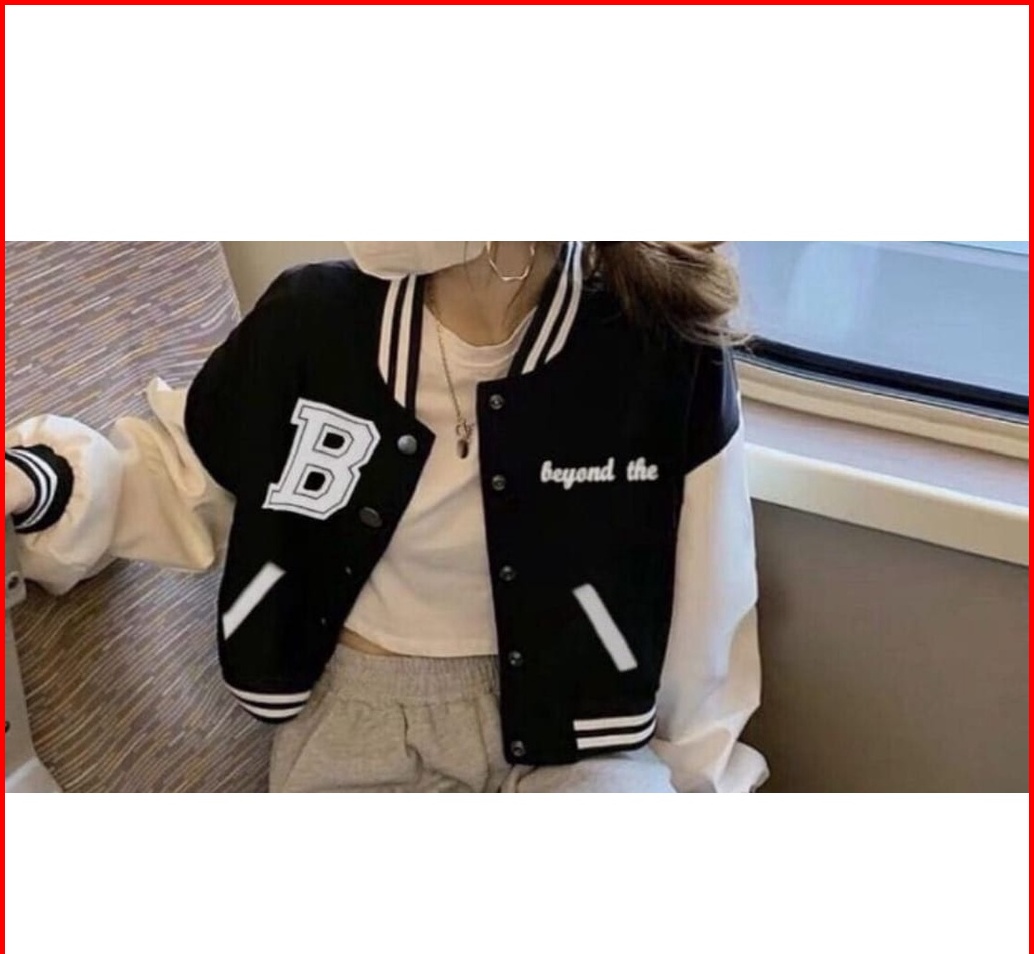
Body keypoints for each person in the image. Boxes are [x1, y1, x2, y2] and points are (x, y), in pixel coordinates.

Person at [4, 241, 766, 793]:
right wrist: (43, 486)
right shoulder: (310, 325)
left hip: (585, 730)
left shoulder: (663, 347)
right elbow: (188, 476)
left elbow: (711, 596)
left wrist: (693, 782)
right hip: (359, 727)